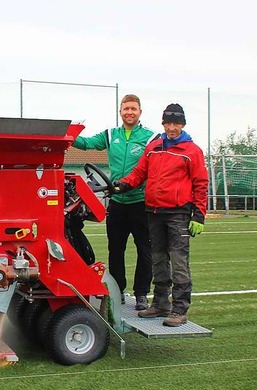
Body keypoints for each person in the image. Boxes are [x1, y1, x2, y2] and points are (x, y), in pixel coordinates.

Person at [115, 103, 209, 326]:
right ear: (163, 124)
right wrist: (124, 184)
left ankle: (179, 310)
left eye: (176, 123)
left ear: (182, 124)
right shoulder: (154, 148)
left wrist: (199, 216)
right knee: (158, 260)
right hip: (154, 211)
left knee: (178, 263)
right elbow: (139, 172)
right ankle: (160, 304)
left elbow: (201, 184)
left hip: (178, 214)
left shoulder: (192, 151)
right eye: (168, 123)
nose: (172, 127)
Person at [73, 94, 157, 310]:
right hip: (117, 203)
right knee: (116, 250)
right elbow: (86, 143)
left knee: (144, 251)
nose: (130, 112)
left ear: (140, 112)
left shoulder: (150, 138)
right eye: (126, 108)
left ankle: (141, 294)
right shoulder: (111, 135)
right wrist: (68, 133)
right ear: (120, 111)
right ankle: (118, 291)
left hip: (140, 202)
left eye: (133, 109)